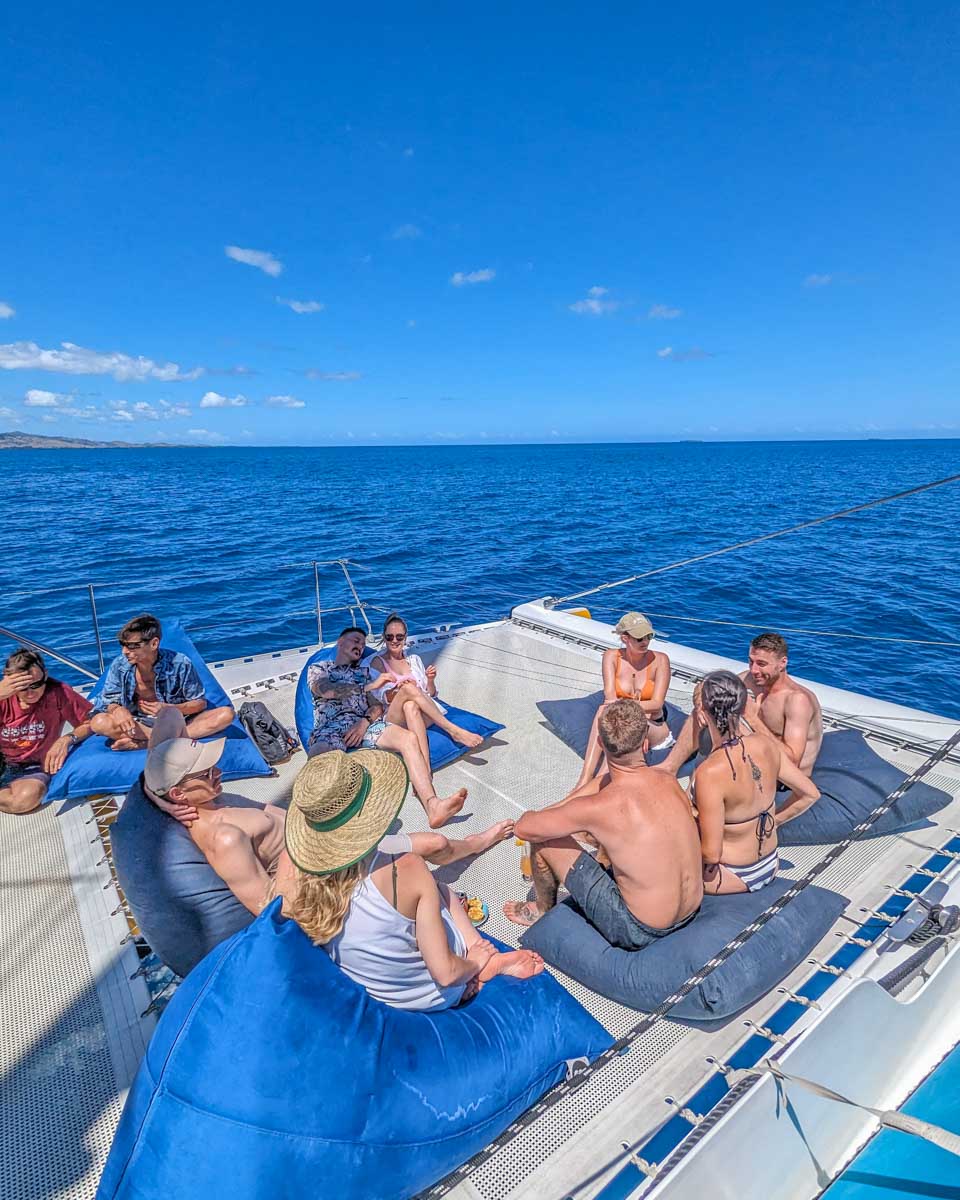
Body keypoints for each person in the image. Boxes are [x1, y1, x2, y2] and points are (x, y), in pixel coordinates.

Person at [148, 706, 516, 916]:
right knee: (425, 853)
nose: (219, 772)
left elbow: (167, 716)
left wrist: (153, 791)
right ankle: (450, 885)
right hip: (329, 869)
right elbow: (271, 908)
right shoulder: (223, 835)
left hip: (332, 841)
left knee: (434, 842)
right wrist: (307, 856)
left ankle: (474, 843)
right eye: (207, 771)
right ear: (181, 791)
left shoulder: (189, 793)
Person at [280, 749, 544, 1011]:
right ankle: (486, 960)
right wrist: (474, 962)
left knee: (427, 883)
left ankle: (476, 848)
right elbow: (445, 974)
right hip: (432, 994)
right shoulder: (405, 869)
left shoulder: (292, 865)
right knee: (441, 891)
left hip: (379, 993)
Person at [504, 700, 703, 948]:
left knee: (544, 839)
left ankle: (542, 910)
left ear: (600, 743)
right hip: (692, 908)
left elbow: (525, 828)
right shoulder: (668, 778)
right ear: (645, 743)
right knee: (615, 835)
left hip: (640, 929)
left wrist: (543, 812)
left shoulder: (598, 808)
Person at [307, 626, 467, 828]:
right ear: (340, 642)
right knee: (320, 754)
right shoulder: (321, 668)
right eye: (355, 640)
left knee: (408, 739)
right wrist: (370, 687)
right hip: (331, 727)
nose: (360, 646)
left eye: (363, 644)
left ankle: (432, 805)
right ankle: (317, 811)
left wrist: (364, 722)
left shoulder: (363, 673)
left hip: (364, 725)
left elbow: (376, 707)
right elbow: (326, 691)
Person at [692, 671, 821, 894]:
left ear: (702, 711)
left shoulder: (709, 772)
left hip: (727, 874)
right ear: (743, 708)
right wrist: (774, 820)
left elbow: (711, 854)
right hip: (770, 864)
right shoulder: (766, 745)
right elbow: (810, 793)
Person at [660, 631, 824, 779]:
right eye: (750, 661)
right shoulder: (753, 679)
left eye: (761, 664)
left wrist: (752, 717)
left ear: (782, 663)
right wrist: (701, 706)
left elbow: (792, 760)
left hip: (784, 778)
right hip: (760, 752)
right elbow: (706, 685)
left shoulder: (797, 700)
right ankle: (669, 769)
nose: (753, 670)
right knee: (706, 713)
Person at [90, 614, 234, 751]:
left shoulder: (180, 663)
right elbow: (109, 700)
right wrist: (118, 710)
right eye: (123, 645)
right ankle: (166, 740)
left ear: (154, 643)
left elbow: (199, 703)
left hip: (177, 722)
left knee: (226, 715)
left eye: (132, 646)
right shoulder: (119, 666)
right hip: (139, 722)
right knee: (99, 722)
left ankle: (144, 744)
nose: (124, 651)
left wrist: (170, 709)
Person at [572, 612, 674, 793]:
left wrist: (626, 708)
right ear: (625, 638)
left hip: (652, 725)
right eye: (640, 638)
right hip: (621, 718)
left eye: (649, 636)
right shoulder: (611, 657)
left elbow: (657, 704)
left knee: (614, 717)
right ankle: (585, 778)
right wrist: (625, 709)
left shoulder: (661, 660)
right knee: (605, 710)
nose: (646, 641)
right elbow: (609, 696)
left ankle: (599, 784)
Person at [367, 613, 485, 760]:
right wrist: (400, 689)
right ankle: (453, 730)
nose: (394, 641)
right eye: (390, 637)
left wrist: (430, 680)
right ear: (384, 638)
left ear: (405, 637)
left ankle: (426, 767)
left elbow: (431, 694)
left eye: (399, 637)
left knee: (411, 707)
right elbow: (381, 696)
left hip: (422, 712)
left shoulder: (414, 660)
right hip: (394, 716)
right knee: (408, 690)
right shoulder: (377, 663)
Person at [0, 648, 94, 814]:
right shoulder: (3, 697)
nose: (30, 693)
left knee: (24, 800)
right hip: (3, 761)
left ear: (46, 674)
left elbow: (92, 721)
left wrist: (67, 738)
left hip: (33, 765)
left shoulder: (58, 693)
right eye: (22, 687)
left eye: (36, 685)